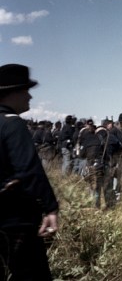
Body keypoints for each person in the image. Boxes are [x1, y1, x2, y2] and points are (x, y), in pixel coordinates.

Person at [0, 64, 58, 280]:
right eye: (25, 90)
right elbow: (30, 170)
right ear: (12, 93)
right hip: (16, 220)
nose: (30, 96)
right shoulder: (13, 124)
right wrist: (51, 208)